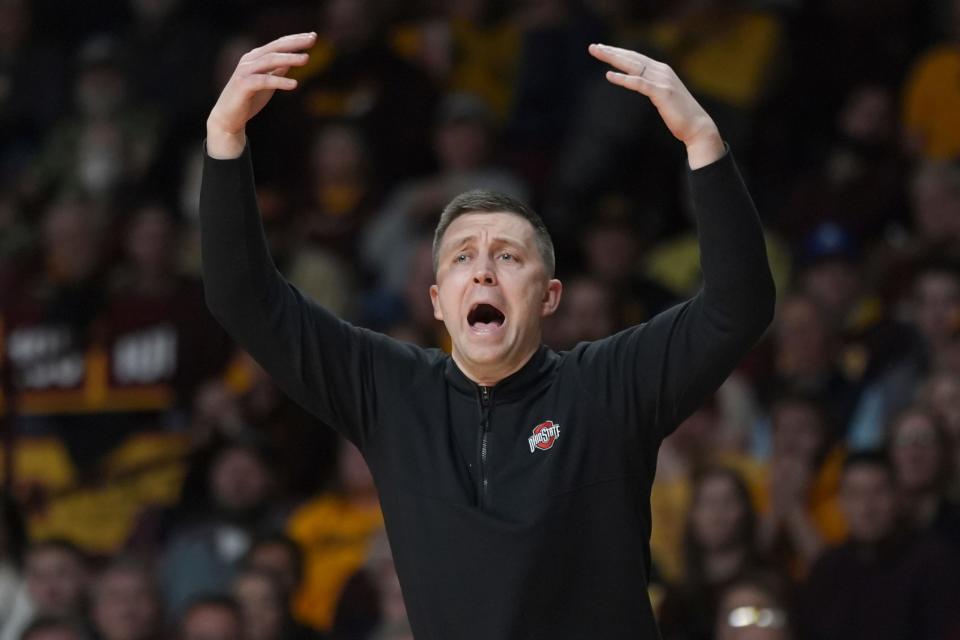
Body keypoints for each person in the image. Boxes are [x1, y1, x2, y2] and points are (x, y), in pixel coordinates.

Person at [200, 32, 775, 639]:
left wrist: (703, 143)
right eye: (461, 259)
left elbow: (738, 306)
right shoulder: (388, 390)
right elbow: (243, 298)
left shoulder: (609, 384)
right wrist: (225, 140)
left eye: (507, 256)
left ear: (549, 295)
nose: (481, 269)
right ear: (438, 304)